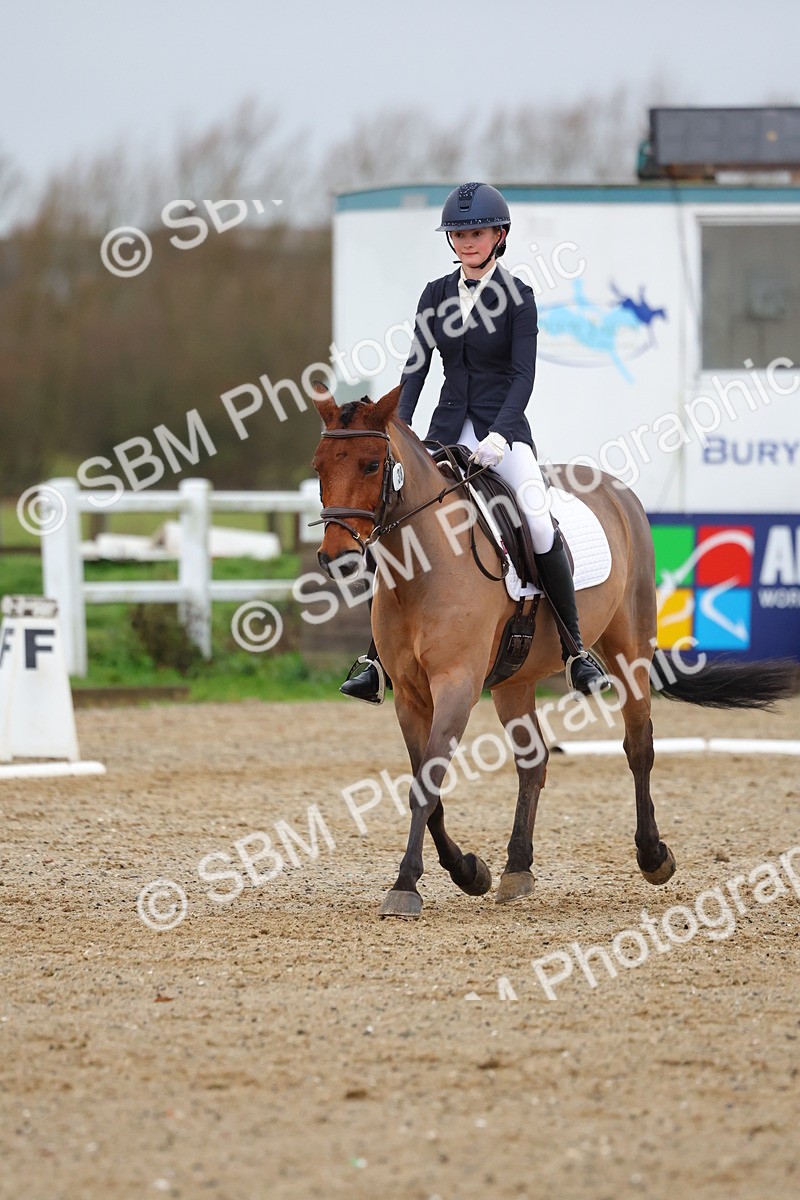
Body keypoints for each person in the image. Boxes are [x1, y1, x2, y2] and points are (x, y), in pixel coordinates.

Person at [340, 181, 610, 703]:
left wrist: (502, 436)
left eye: (477, 231)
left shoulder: (520, 297)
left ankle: (576, 649)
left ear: (498, 235)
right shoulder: (435, 294)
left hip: (501, 432)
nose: (467, 240)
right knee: (393, 519)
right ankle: (376, 657)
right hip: (443, 429)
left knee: (535, 517)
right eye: (459, 233)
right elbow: (416, 367)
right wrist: (402, 430)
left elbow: (522, 376)